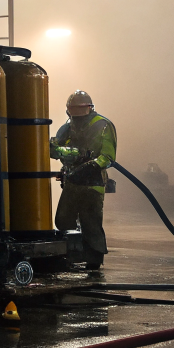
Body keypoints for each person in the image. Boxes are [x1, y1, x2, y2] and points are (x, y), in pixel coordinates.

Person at [51, 89, 117, 270]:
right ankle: (74, 252)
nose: (77, 115)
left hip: (92, 183)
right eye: (74, 111)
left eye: (80, 110)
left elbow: (108, 157)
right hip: (72, 181)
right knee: (63, 220)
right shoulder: (67, 127)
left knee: (91, 223)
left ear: (90, 108)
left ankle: (94, 260)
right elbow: (55, 148)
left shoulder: (102, 125)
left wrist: (91, 166)